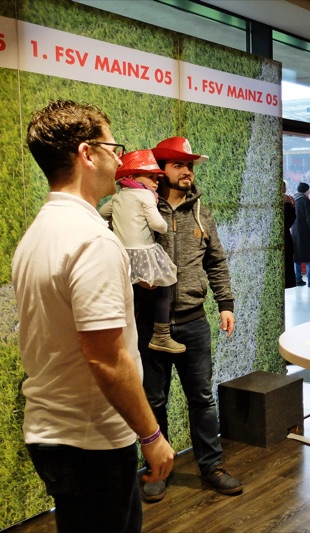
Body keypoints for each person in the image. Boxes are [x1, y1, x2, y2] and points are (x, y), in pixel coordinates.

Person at [12, 100, 174, 532]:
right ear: (86, 154)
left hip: (56, 432)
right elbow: (106, 357)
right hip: (92, 439)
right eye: (112, 145)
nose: (119, 158)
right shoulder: (91, 241)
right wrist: (152, 436)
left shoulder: (39, 232)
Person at [135, 136, 242, 502]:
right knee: (153, 400)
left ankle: (211, 466)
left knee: (201, 398)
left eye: (190, 166)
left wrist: (225, 303)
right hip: (150, 325)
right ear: (161, 170)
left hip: (195, 322)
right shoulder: (140, 209)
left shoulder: (202, 212)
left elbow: (216, 261)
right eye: (179, 165)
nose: (187, 171)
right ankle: (156, 470)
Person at [99, 150, 185, 352]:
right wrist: (165, 227)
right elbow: (157, 224)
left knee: (131, 293)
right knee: (165, 285)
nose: (156, 182)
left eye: (157, 177)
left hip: (122, 254)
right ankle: (161, 334)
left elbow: (102, 213)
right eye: (152, 177)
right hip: (143, 251)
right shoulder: (146, 195)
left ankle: (125, 333)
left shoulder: (119, 196)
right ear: (131, 177)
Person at [292, 182, 310, 287]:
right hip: (306, 233)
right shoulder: (305, 200)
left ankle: (298, 279)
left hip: (295, 232)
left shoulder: (293, 199)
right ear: (306, 190)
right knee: (309, 258)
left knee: (297, 258)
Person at [283, 181, 297, 289]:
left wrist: (291, 207)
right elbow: (287, 222)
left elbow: (289, 222)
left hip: (286, 240)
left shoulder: (287, 201)